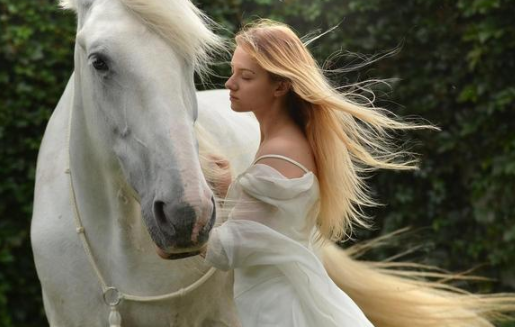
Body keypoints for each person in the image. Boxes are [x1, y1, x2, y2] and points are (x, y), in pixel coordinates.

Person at [199, 19, 515, 327]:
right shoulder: (286, 141)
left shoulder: (280, 150)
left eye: (246, 76)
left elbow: (228, 250)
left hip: (277, 310)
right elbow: (265, 230)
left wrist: (182, 237)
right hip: (274, 300)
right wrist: (227, 189)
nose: (230, 84)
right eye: (232, 72)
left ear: (280, 85)